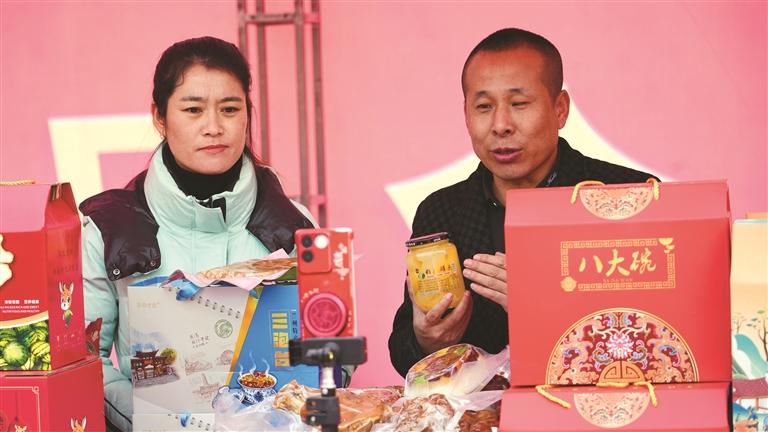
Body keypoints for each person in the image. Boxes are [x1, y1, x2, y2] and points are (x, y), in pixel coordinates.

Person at [388, 28, 658, 377]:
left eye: (519, 104)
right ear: (466, 115)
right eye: (484, 107)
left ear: (560, 109)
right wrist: (428, 340)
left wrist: (543, 306)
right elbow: (404, 351)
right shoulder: (443, 211)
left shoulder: (629, 196)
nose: (501, 125)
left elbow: (658, 339)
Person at [81, 37, 315, 431]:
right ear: (159, 117)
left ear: (247, 115)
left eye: (230, 109)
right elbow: (86, 361)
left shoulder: (295, 227)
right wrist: (163, 423)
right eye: (193, 110)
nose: (213, 127)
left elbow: (327, 350)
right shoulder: (108, 228)